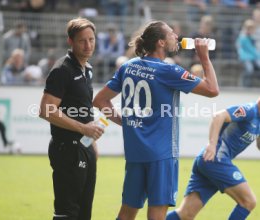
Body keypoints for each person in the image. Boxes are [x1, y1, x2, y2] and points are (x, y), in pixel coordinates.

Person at [93, 20, 219, 220]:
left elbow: (100, 100)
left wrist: (125, 122)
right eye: (171, 34)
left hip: (135, 153)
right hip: (162, 154)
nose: (176, 37)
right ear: (160, 42)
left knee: (126, 213)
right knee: (157, 216)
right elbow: (212, 90)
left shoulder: (127, 67)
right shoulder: (169, 70)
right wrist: (204, 57)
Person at [39, 18, 104, 220]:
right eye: (82, 41)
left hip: (84, 147)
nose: (88, 45)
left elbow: (83, 108)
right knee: (67, 213)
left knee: (84, 212)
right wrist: (83, 129)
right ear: (71, 41)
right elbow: (46, 110)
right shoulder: (62, 70)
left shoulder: (87, 69)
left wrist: (90, 141)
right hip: (66, 148)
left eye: (91, 39)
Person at [166, 98, 260, 220]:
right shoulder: (249, 110)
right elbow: (218, 116)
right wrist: (212, 144)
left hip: (207, 161)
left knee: (185, 214)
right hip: (216, 159)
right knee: (248, 201)